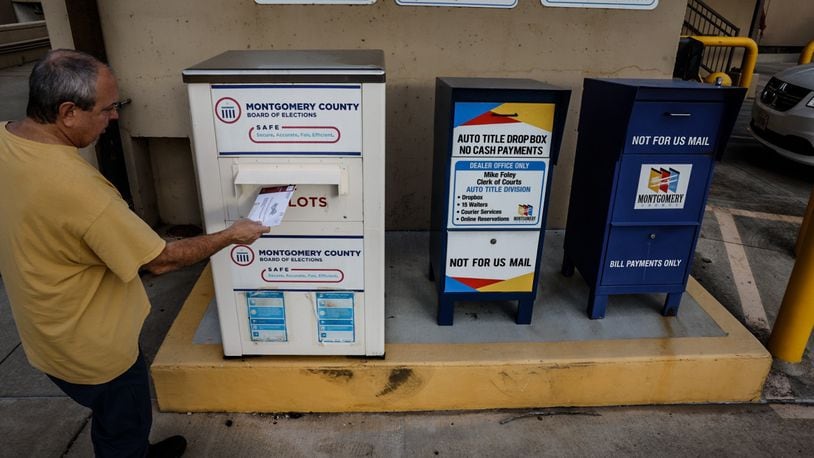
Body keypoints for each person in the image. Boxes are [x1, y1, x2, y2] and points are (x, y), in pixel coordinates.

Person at [0, 49, 270, 457]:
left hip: (43, 332)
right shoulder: (81, 192)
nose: (115, 118)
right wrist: (232, 234)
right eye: (108, 109)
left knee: (118, 423)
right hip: (94, 349)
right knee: (121, 426)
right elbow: (161, 260)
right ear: (68, 111)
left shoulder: (5, 137)